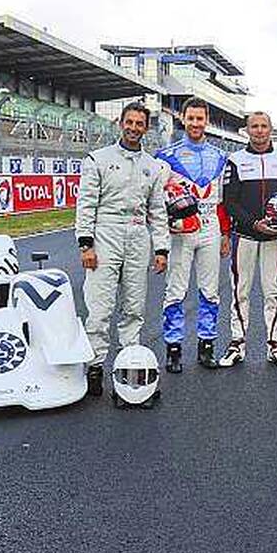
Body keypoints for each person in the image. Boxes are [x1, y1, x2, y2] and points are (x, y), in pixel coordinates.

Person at [76, 101, 169, 397]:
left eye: (139, 124)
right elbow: (86, 203)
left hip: (138, 235)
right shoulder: (98, 159)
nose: (133, 128)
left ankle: (130, 363)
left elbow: (158, 210)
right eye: (129, 122)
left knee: (134, 307)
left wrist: (162, 248)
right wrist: (85, 243)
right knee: (100, 307)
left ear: (146, 128)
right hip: (105, 234)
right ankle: (95, 365)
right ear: (120, 123)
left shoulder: (153, 167)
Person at [154, 98, 230, 373]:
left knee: (210, 291)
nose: (196, 123)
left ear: (206, 121)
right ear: (182, 119)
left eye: (201, 119)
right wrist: (165, 228)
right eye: (191, 118)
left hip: (211, 227)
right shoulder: (165, 157)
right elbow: (156, 199)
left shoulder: (221, 156)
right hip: (181, 230)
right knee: (176, 290)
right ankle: (173, 350)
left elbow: (222, 201)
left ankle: (206, 347)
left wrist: (225, 234)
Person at [219, 111, 277, 369]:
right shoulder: (236, 159)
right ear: (247, 130)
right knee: (239, 292)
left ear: (271, 129)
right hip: (244, 236)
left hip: (274, 237)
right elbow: (229, 202)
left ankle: (274, 345)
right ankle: (237, 344)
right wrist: (254, 224)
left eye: (264, 126)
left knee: (272, 293)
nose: (259, 131)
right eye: (254, 126)